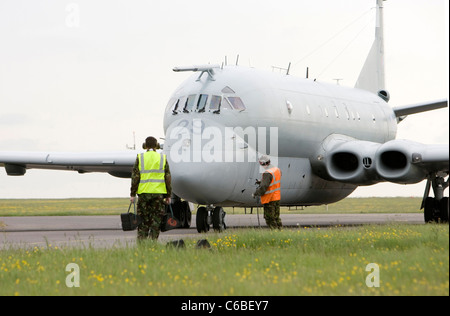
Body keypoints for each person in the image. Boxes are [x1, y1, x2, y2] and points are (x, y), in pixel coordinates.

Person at [130, 136, 172, 241]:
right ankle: (152, 243)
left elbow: (135, 177)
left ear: (145, 146)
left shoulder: (140, 157)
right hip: (158, 195)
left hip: (144, 194)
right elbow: (167, 178)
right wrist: (168, 195)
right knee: (156, 221)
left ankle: (142, 244)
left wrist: (132, 194)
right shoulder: (162, 158)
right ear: (157, 146)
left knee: (143, 221)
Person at [253, 155, 282, 229]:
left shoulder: (267, 173)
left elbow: (263, 187)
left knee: (269, 218)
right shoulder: (277, 170)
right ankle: (280, 232)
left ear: (262, 163)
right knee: (276, 217)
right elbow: (273, 181)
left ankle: (275, 233)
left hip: (270, 199)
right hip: (276, 197)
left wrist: (255, 193)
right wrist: (262, 181)